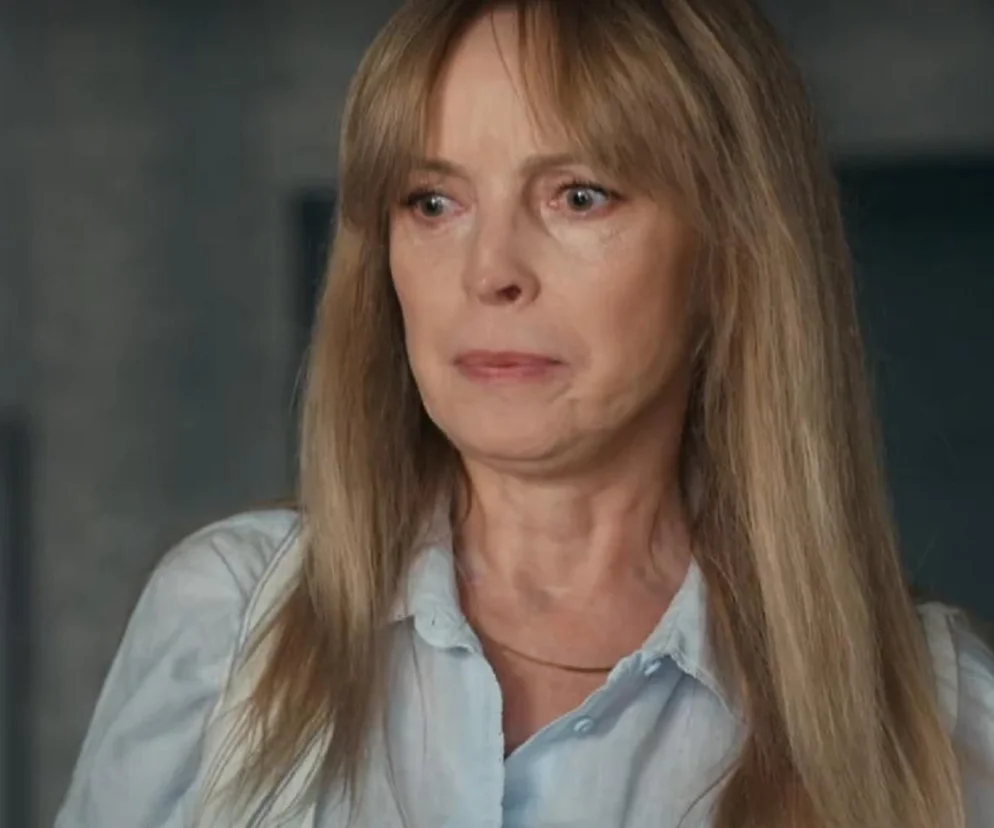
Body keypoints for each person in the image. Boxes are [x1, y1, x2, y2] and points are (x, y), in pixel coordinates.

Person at [55, 1, 994, 826]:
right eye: (433, 202)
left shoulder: (931, 713)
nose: (489, 271)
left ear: (730, 255)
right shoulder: (227, 624)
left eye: (578, 196)